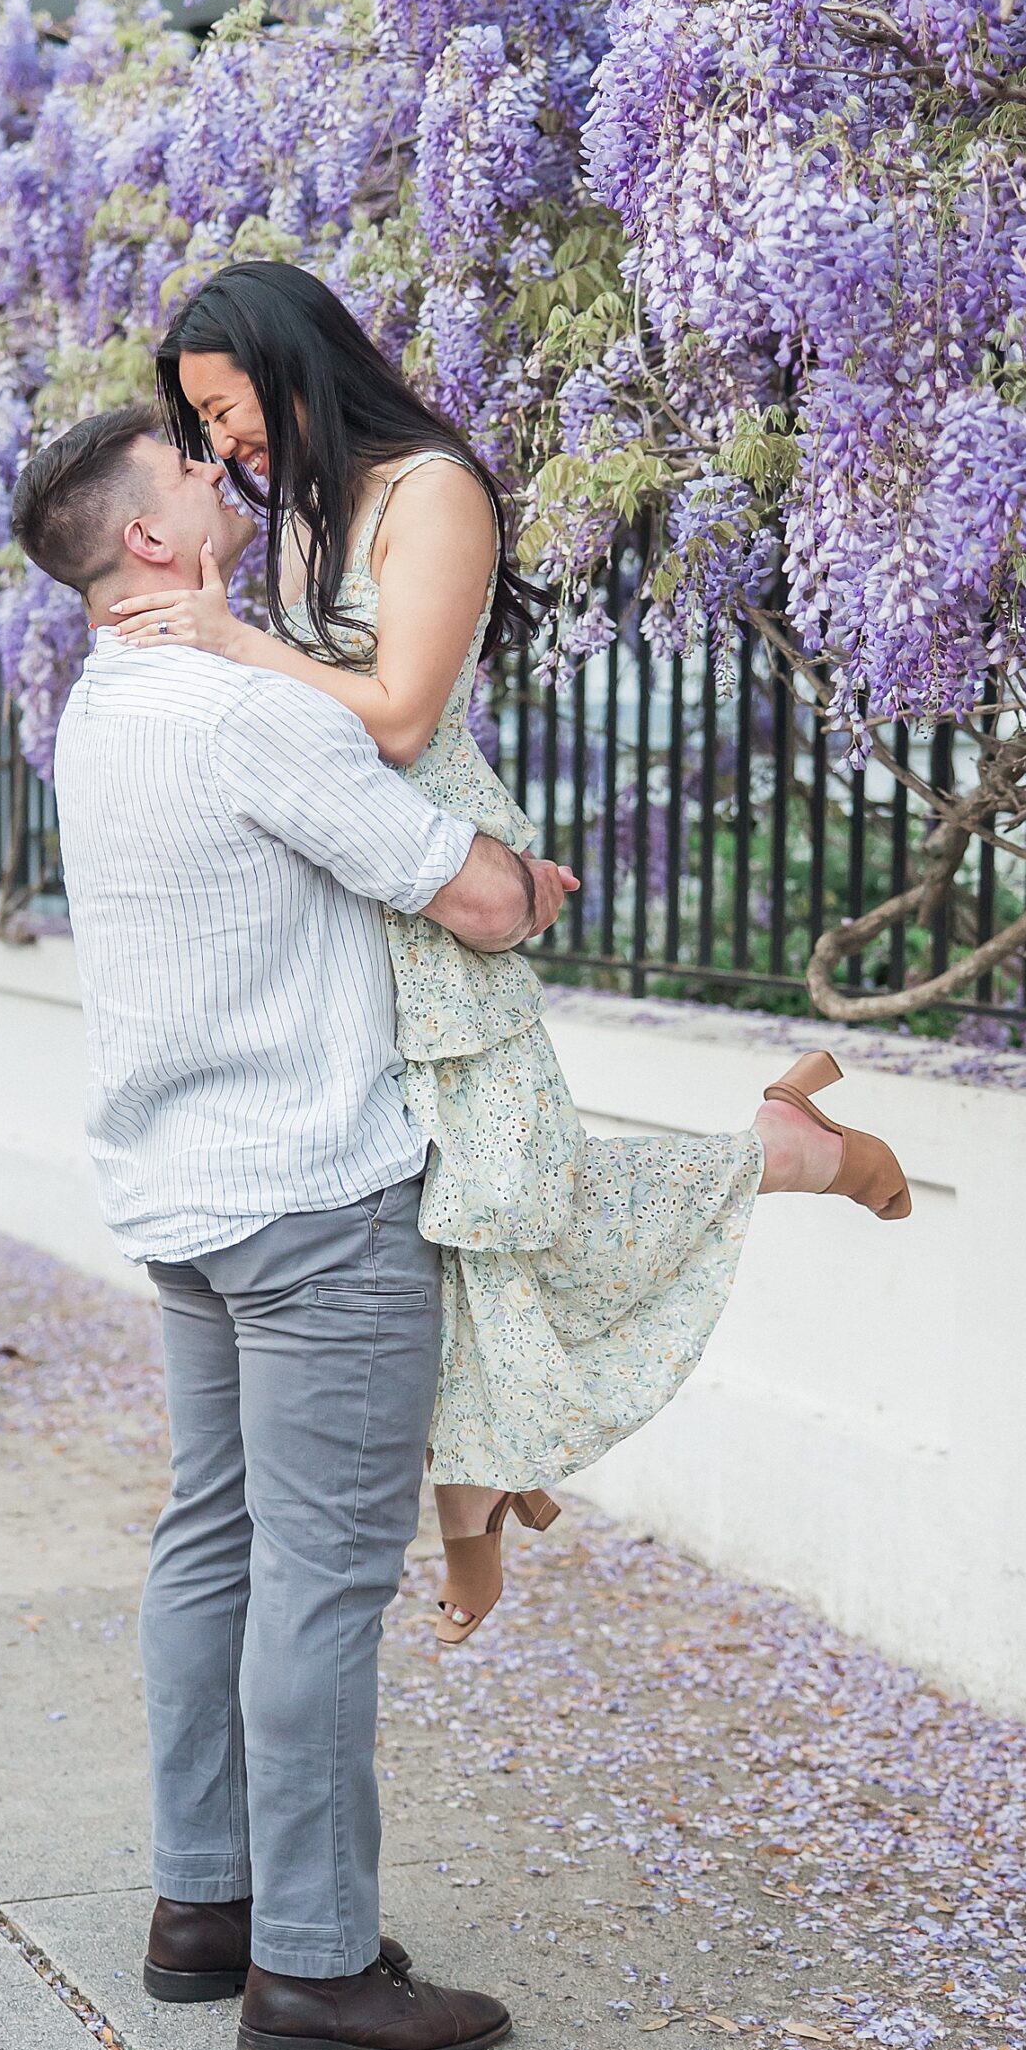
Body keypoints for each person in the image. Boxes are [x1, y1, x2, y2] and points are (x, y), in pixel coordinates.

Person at [101, 258, 912, 1645]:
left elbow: (402, 717)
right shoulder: (296, 508)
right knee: (440, 1215)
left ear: (297, 365)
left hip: (436, 872)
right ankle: (484, 1486)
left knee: (502, 1200)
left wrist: (228, 638)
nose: (222, 448)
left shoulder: (433, 491)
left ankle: (784, 1152)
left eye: (229, 411)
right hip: (351, 883)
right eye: (205, 428)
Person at [10, 404, 579, 2050]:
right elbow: (463, 894)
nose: (223, 471)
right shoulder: (241, 712)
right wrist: (530, 879)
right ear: (152, 548)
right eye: (194, 471)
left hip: (186, 1201)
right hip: (316, 1206)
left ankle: (209, 1909)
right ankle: (317, 1967)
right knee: (324, 1583)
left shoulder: (101, 707)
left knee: (214, 1541)